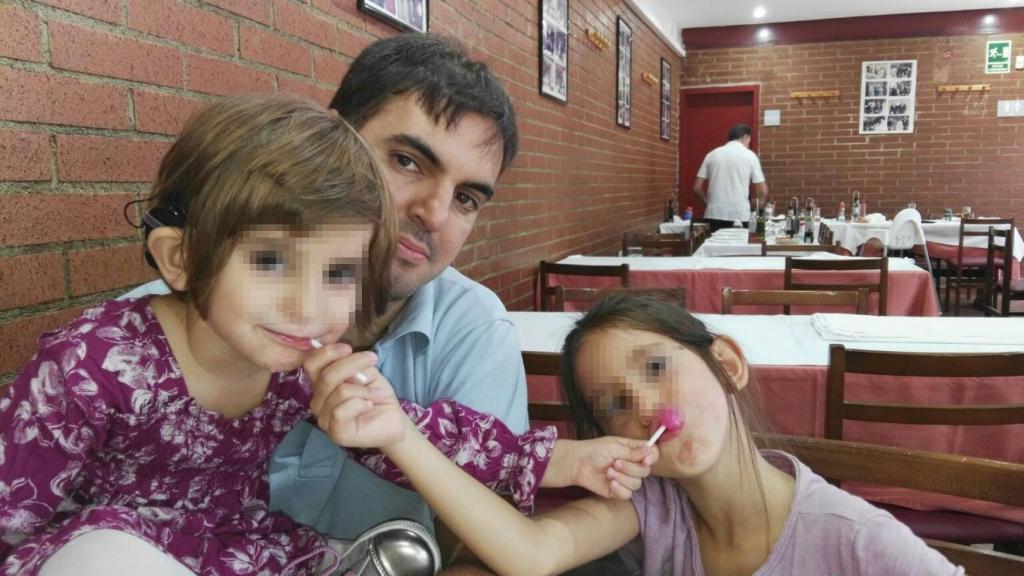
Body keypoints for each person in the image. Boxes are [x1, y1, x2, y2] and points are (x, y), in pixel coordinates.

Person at [0, 94, 654, 575]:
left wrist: (561, 459)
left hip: (238, 553)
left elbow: (408, 429)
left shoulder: (297, 367)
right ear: (181, 259)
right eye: (270, 261)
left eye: (338, 272)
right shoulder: (92, 363)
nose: (308, 305)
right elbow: (12, 509)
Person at [121, 34, 533, 561]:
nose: (435, 213)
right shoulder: (150, 335)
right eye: (407, 161)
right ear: (330, 143)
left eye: (467, 198)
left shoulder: (474, 330)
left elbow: (479, 551)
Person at [320, 293, 964, 576]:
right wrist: (398, 434)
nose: (646, 404)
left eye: (657, 368)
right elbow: (529, 555)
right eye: (614, 407)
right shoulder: (652, 506)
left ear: (728, 363)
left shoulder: (856, 539)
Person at [693, 124, 769, 233]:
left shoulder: (712, 155)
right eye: (749, 140)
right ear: (745, 137)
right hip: (740, 214)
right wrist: (758, 203)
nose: (748, 144)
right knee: (738, 249)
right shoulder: (750, 156)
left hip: (714, 214)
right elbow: (763, 190)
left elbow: (696, 188)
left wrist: (707, 202)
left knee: (715, 248)